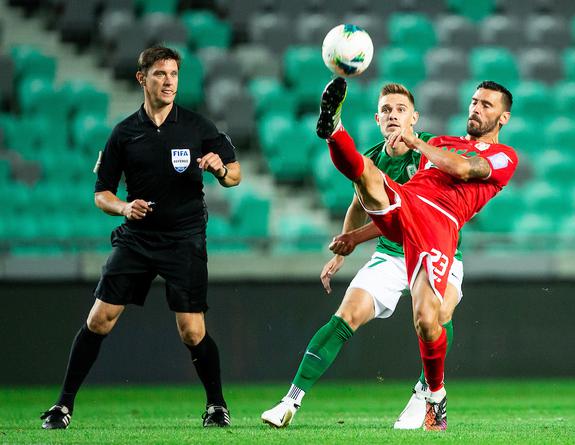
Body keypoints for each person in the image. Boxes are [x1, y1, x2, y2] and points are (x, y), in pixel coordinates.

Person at [40, 46, 241, 430]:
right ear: (142, 78)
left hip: (184, 239)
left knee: (192, 330)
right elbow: (102, 193)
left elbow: (235, 174)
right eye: (161, 74)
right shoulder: (124, 133)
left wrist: (220, 170)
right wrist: (124, 207)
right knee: (99, 319)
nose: (169, 82)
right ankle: (62, 406)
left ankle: (216, 405)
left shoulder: (198, 127)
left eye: (174, 75)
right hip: (137, 238)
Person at [313, 77, 518, 431]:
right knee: (369, 178)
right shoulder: (440, 142)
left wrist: (416, 142)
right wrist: (354, 237)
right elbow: (413, 193)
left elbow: (465, 169)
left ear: (503, 118)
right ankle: (334, 130)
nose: (475, 109)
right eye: (473, 101)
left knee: (427, 320)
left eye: (486, 105)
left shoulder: (504, 156)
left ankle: (435, 395)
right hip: (409, 204)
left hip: (441, 224)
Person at [261, 83, 464, 430]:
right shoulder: (373, 159)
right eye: (386, 110)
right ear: (377, 118)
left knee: (439, 313)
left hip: (436, 249)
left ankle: (425, 395)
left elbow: (409, 215)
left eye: (400, 109)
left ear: (414, 117)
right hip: (391, 255)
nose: (393, 115)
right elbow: (361, 204)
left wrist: (355, 237)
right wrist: (343, 250)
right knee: (346, 315)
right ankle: (290, 400)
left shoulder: (431, 153)